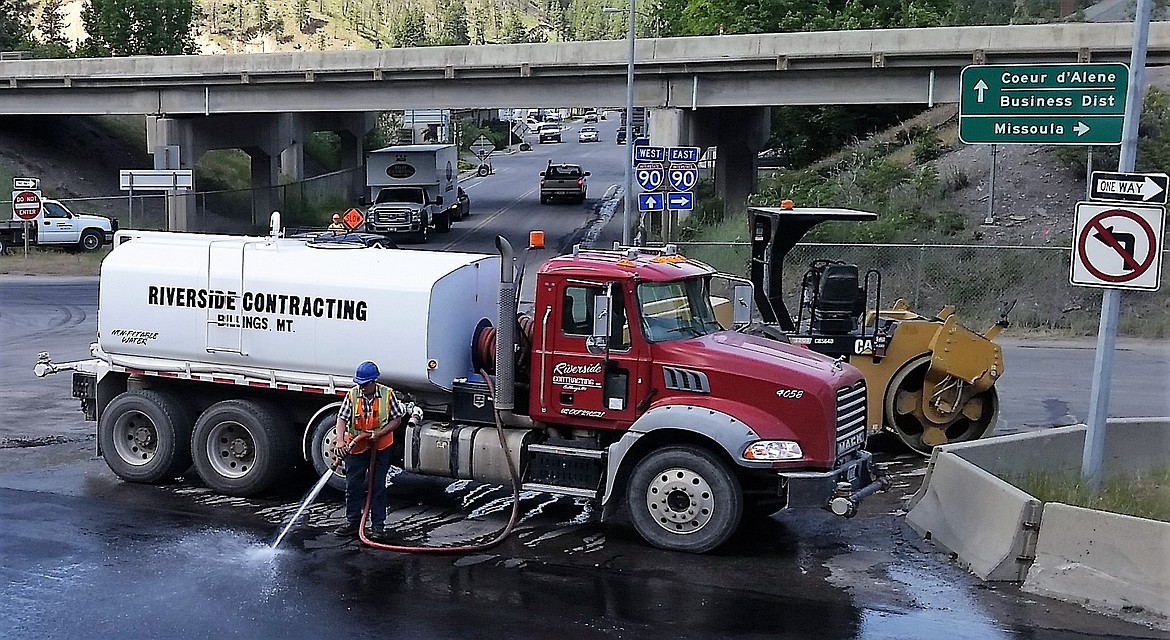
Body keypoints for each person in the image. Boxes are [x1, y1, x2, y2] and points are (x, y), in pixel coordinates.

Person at [333, 361, 406, 539]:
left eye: (365, 384)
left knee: (378, 486)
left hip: (380, 447)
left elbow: (397, 420)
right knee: (353, 486)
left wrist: (379, 433)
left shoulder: (387, 395)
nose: (362, 387)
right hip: (357, 447)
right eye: (359, 384)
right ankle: (352, 523)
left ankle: (378, 527)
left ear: (374, 382)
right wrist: (340, 441)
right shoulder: (353, 395)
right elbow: (342, 418)